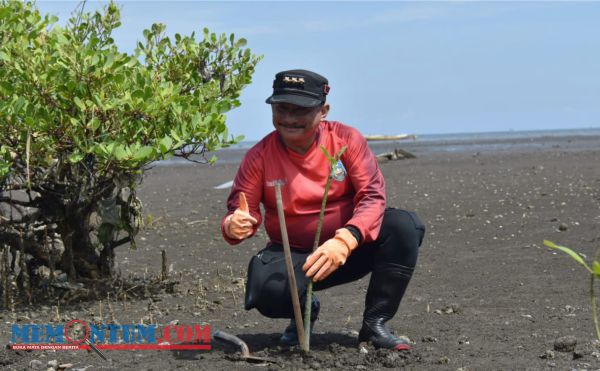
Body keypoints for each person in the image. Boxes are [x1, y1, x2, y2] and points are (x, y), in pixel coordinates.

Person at [221, 69, 425, 350]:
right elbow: (243, 211)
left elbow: (372, 196)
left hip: (348, 250)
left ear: (323, 110)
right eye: (282, 108)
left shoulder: (346, 141)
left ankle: (375, 325)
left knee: (404, 226)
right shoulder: (259, 156)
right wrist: (235, 223)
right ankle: (304, 309)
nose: (290, 119)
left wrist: (345, 240)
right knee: (265, 291)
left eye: (301, 110)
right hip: (293, 255)